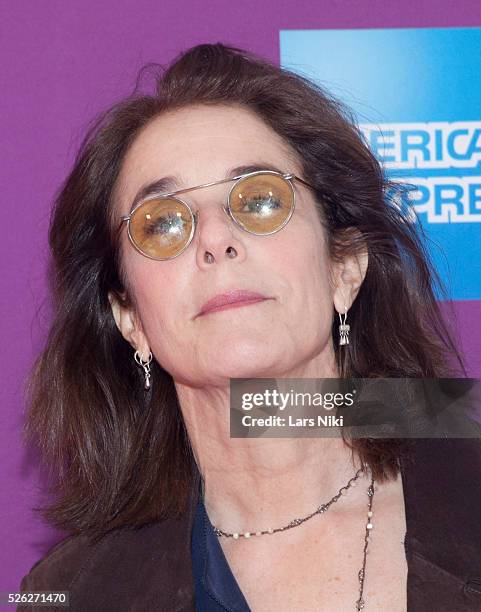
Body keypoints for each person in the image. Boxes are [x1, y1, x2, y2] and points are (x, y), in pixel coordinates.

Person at [18, 43, 481, 611]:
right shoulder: (75, 591)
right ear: (131, 319)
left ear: (344, 268)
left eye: (260, 201)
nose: (215, 239)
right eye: (162, 223)